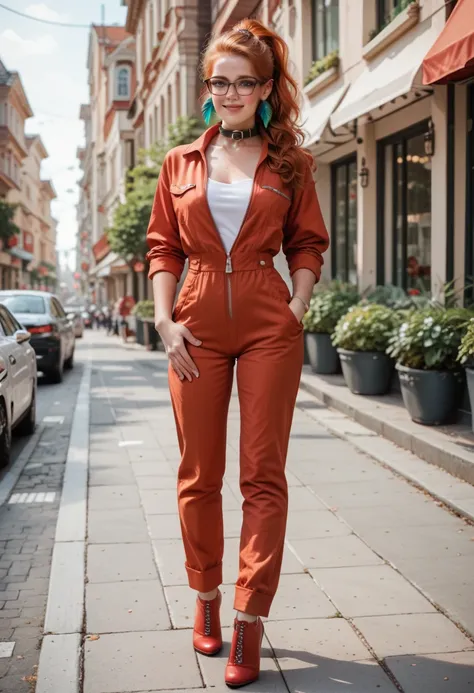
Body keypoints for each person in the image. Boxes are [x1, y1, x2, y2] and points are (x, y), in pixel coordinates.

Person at [146, 18, 329, 688]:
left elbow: (308, 242)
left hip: (267, 320)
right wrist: (165, 321)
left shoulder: (292, 164)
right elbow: (163, 246)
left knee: (263, 474)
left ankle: (249, 619)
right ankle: (205, 599)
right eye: (219, 82)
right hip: (192, 322)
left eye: (242, 82)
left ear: (265, 88)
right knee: (199, 473)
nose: (229, 93)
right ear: (207, 88)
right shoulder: (179, 164)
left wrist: (298, 303)